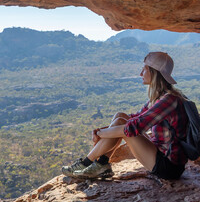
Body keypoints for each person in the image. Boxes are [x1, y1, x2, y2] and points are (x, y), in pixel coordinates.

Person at [62, 52, 189, 180]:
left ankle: (86, 163)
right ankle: (102, 164)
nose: (140, 74)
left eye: (144, 69)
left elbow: (132, 128)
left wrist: (101, 134)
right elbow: (134, 117)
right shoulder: (160, 97)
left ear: (154, 72)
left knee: (124, 127)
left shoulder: (169, 100)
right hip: (159, 153)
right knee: (120, 116)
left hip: (168, 167)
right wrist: (103, 130)